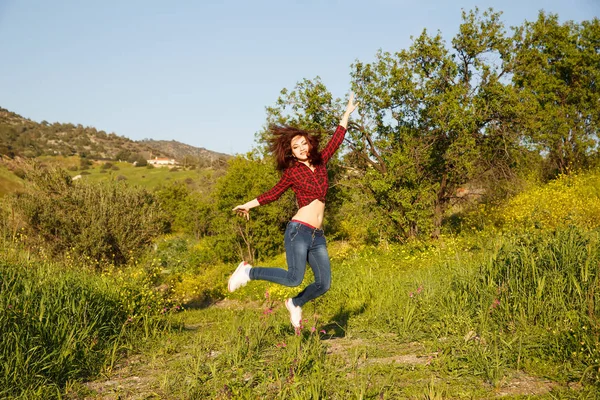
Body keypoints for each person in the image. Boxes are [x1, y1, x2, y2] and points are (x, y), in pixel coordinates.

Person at [228, 93, 359, 328]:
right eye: (295, 146)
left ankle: (296, 303)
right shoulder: (292, 172)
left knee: (323, 283)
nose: (300, 148)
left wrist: (346, 114)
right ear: (291, 152)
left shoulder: (321, 162)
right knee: (293, 277)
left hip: (317, 235)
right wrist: (248, 204)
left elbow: (336, 140)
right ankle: (248, 273)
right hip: (298, 231)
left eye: (303, 143)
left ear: (310, 144)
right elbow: (274, 193)